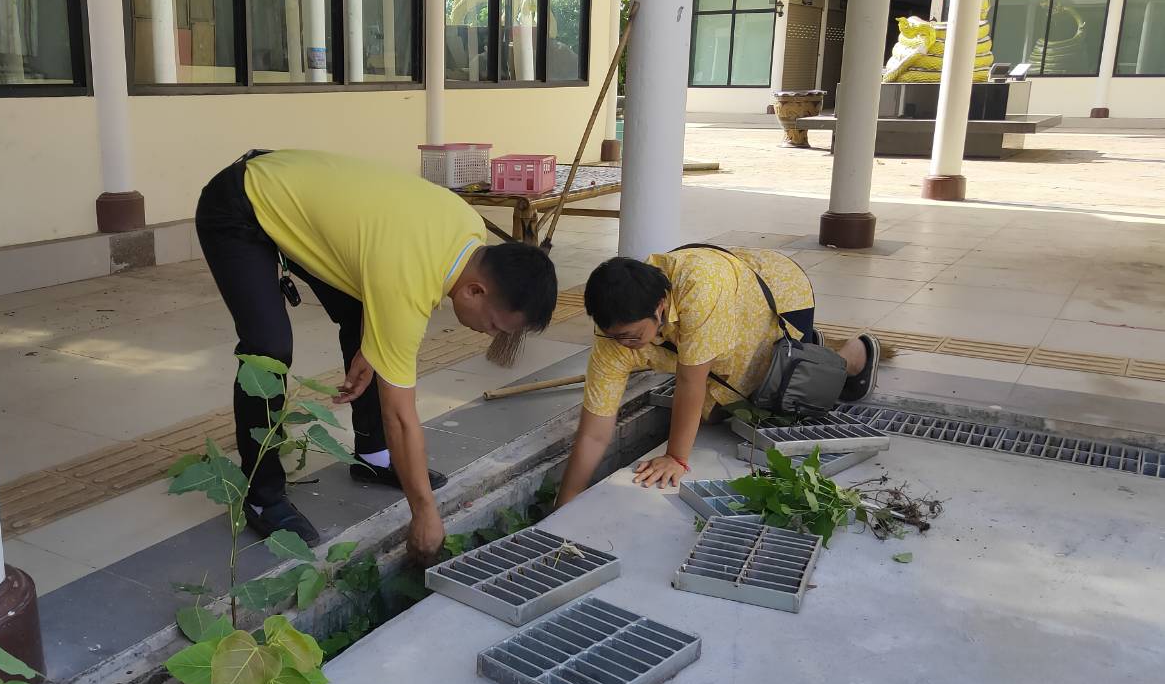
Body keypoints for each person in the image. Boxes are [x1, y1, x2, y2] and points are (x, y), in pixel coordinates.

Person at [196, 149, 558, 562]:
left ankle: (373, 455)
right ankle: (261, 495)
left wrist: (374, 349)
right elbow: (400, 415)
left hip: (296, 193)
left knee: (364, 317)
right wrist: (424, 512)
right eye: (494, 324)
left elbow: (381, 278)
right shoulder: (409, 281)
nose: (488, 335)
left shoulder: (469, 228)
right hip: (241, 203)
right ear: (475, 291)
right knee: (269, 349)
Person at [556, 247, 880, 506]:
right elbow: (594, 432)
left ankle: (850, 354)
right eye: (617, 337)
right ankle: (798, 353)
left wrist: (675, 458)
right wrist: (566, 501)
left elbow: (690, 382)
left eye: (634, 335)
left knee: (788, 398)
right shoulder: (612, 335)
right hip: (729, 322)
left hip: (780, 299)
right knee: (714, 415)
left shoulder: (700, 290)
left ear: (660, 307)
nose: (625, 344)